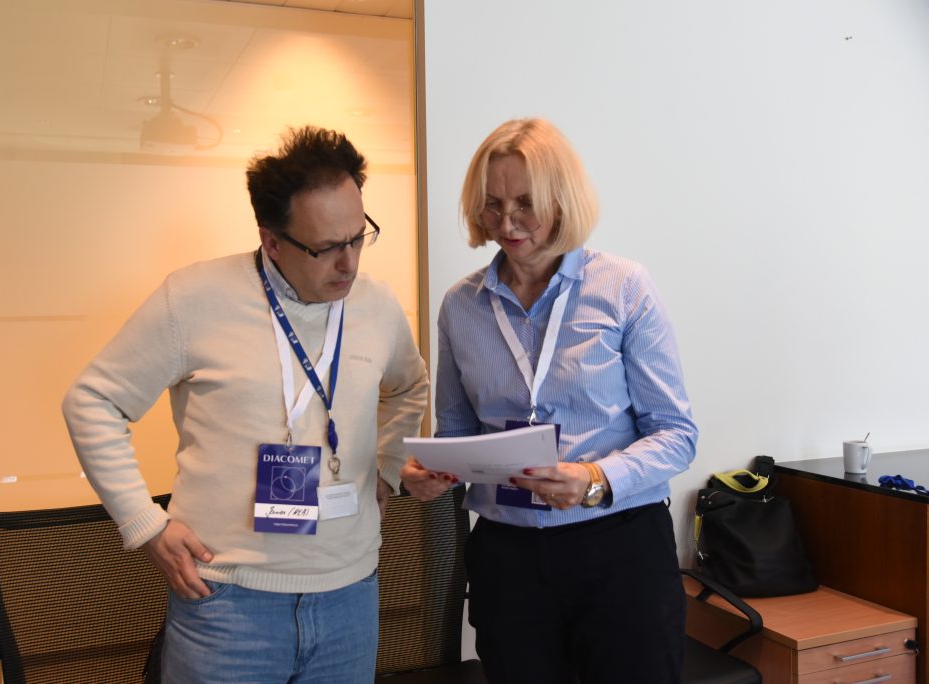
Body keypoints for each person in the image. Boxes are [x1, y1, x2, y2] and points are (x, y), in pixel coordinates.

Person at [62, 126, 428, 683]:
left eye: (358, 238)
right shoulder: (195, 298)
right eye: (326, 248)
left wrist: (387, 464)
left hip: (350, 597)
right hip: (227, 604)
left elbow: (409, 385)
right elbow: (92, 400)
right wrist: (145, 524)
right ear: (272, 241)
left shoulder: (376, 305)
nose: (349, 263)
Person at [401, 118, 697, 683]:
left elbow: (677, 434)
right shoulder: (460, 306)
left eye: (525, 204)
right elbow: (457, 432)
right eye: (492, 206)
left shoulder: (624, 288)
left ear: (562, 201)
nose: (506, 223)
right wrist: (433, 472)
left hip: (620, 546)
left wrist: (593, 479)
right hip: (508, 558)